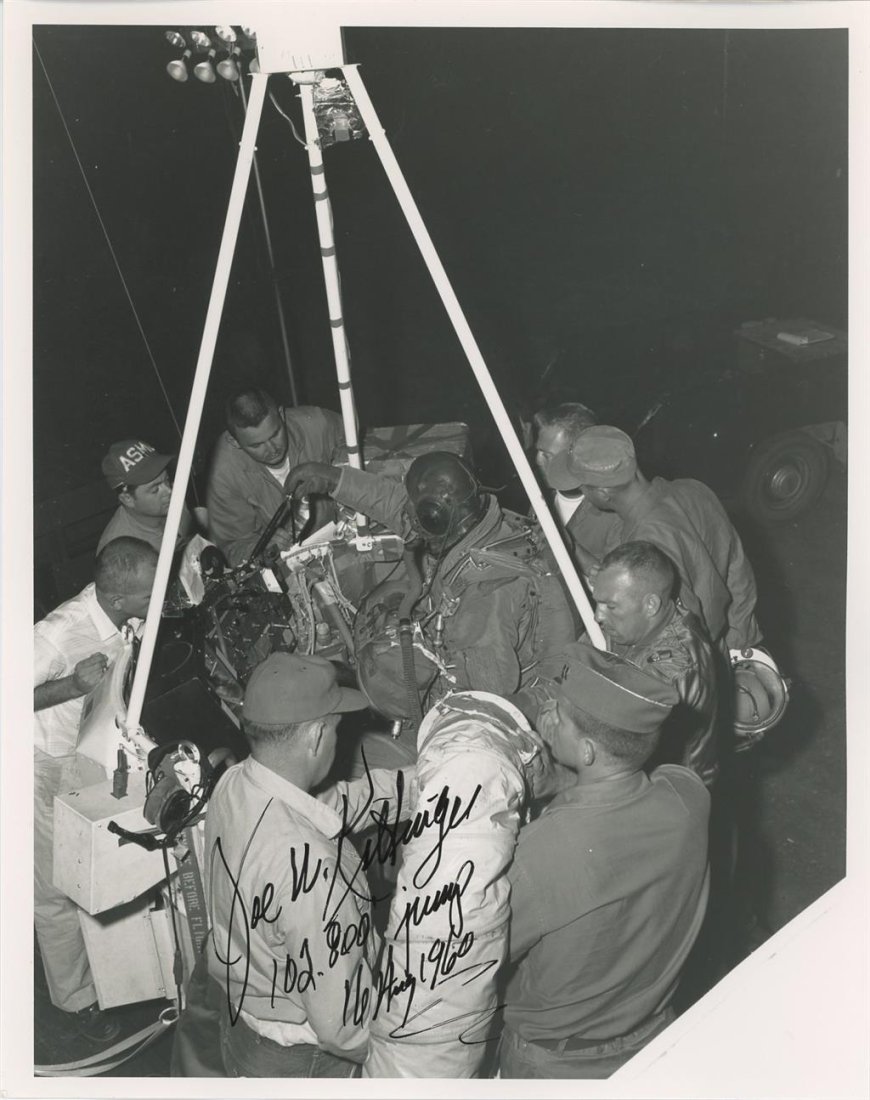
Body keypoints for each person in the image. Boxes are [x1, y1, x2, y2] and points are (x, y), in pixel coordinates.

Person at [500, 643, 710, 1079]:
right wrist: (564, 778)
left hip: (559, 1064)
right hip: (655, 1042)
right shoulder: (688, 800)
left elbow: (482, 955)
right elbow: (647, 776)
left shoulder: (535, 854)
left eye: (558, 712)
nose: (548, 716)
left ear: (590, 752)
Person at [203, 651, 415, 1077]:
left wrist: (429, 781)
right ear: (317, 736)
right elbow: (343, 1029)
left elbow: (341, 804)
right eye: (337, 731)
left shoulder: (236, 783)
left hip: (247, 1022)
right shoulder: (312, 871)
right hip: (303, 1059)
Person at [285, 451, 577, 718]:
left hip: (504, 699)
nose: (406, 511)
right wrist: (333, 479)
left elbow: (486, 703)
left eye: (414, 507)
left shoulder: (485, 599)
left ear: (432, 516)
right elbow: (393, 502)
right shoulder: (475, 517)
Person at [34, 537, 159, 1043]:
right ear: (120, 600)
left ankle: (130, 978)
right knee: (57, 888)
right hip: (39, 761)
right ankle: (74, 1001)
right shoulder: (59, 633)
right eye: (152, 594)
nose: (160, 599)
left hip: (87, 749)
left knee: (108, 867)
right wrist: (68, 687)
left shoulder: (126, 612)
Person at [546, 425, 761, 651]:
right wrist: (740, 642)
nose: (584, 495)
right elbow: (738, 571)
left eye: (582, 489)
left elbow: (674, 638)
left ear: (602, 493)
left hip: (702, 658)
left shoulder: (647, 543)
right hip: (733, 639)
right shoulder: (692, 489)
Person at [591, 540, 719, 788]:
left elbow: (619, 753)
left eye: (611, 606)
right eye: (598, 602)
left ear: (651, 604)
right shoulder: (665, 616)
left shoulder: (665, 672)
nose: (598, 616)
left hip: (671, 791)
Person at [206, 388, 345, 565]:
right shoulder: (224, 472)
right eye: (257, 445)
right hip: (286, 566)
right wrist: (261, 547)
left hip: (344, 537)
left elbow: (366, 450)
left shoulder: (318, 424)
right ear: (235, 442)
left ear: (281, 414)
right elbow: (231, 546)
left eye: (275, 434)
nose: (272, 449)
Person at [97, 439, 193, 556]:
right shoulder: (121, 554)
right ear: (128, 499)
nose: (169, 491)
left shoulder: (171, 496)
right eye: (155, 489)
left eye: (167, 480)